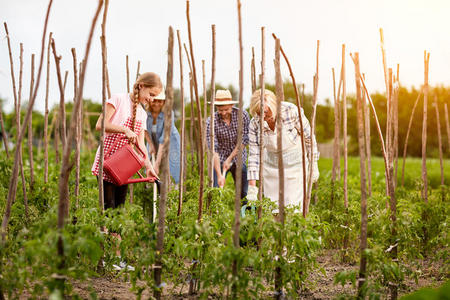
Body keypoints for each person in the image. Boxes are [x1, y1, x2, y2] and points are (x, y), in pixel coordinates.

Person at [92, 72, 161, 210]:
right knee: (109, 207)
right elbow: (100, 125)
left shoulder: (142, 114)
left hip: (124, 166)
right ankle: (107, 232)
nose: (152, 100)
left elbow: (141, 145)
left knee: (119, 209)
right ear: (141, 86)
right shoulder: (118, 100)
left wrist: (149, 167)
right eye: (151, 94)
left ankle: (115, 233)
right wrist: (124, 130)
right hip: (108, 161)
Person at [246, 89, 319, 213]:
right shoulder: (255, 123)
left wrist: (313, 163)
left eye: (266, 113)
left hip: (295, 168)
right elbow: (254, 154)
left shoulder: (290, 111)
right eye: (259, 113)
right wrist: (252, 187)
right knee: (273, 210)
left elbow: (309, 138)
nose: (263, 117)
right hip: (271, 170)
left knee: (293, 210)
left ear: (273, 106)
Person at [206, 89, 250, 199]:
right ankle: (215, 214)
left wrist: (229, 159)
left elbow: (244, 140)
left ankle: (245, 213)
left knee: (244, 192)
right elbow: (214, 150)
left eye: (226, 109)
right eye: (220, 110)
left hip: (238, 156)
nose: (224, 113)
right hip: (219, 159)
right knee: (215, 190)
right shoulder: (211, 121)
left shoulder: (242, 115)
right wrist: (220, 174)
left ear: (232, 105)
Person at [145, 87, 181, 185]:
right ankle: (155, 193)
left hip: (170, 143)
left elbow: (163, 138)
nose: (157, 104)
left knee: (170, 170)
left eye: (160, 101)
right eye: (154, 101)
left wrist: (157, 163)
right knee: (151, 171)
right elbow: (144, 130)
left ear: (164, 101)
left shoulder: (169, 114)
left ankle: (171, 193)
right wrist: (150, 144)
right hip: (153, 142)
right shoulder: (146, 113)